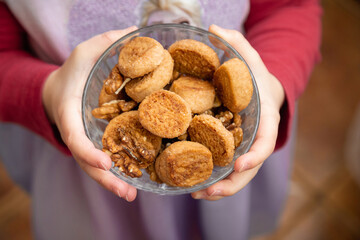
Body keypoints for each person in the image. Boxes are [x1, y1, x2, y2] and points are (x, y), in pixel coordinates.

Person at [0, 0, 322, 239]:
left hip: (223, 157)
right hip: (86, 163)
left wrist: (273, 86)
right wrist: (47, 90)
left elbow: (291, 8)